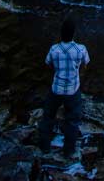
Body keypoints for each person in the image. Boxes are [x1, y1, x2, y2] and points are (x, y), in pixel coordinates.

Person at [37, 16, 90, 158]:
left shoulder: (54, 49)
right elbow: (85, 64)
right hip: (73, 90)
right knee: (72, 121)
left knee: (48, 117)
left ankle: (44, 147)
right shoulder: (80, 49)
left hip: (56, 89)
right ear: (74, 34)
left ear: (61, 33)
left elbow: (48, 64)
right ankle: (68, 151)